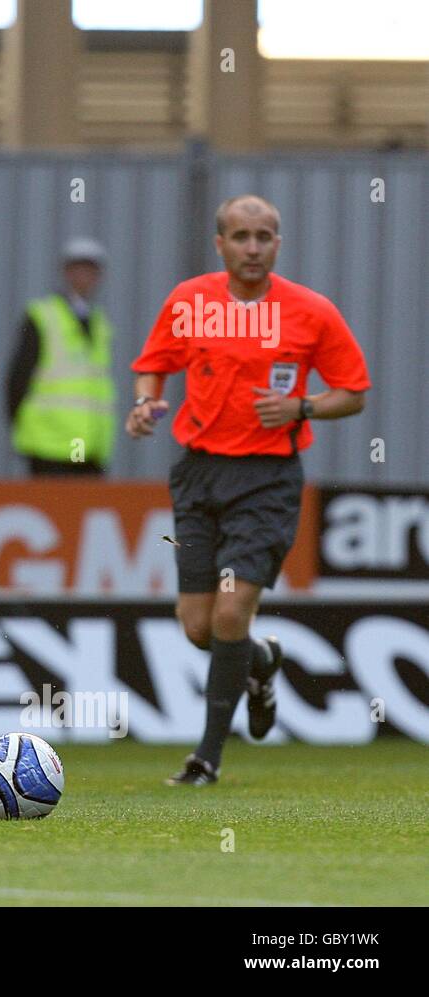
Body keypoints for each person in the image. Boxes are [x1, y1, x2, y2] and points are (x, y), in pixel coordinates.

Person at [126, 194, 370, 786]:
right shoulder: (191, 301)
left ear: (278, 244)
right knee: (198, 625)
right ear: (221, 244)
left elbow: (354, 391)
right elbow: (153, 364)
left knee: (232, 611)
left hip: (267, 480)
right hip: (199, 475)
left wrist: (302, 406)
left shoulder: (310, 312)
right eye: (241, 236)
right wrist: (143, 403)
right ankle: (260, 664)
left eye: (264, 236)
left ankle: (206, 757)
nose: (253, 247)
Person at [7, 237, 115, 475]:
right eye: (79, 270)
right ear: (67, 273)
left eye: (91, 271)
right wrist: (23, 428)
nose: (85, 278)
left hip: (91, 447)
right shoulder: (42, 316)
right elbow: (17, 379)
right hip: (48, 446)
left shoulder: (99, 323)